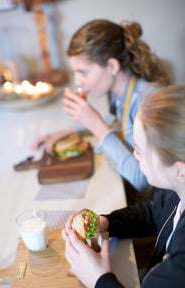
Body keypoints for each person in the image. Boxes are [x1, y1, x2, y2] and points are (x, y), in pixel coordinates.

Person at [62, 84, 185, 288]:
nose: (135, 156)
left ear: (179, 169)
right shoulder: (176, 191)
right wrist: (107, 222)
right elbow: (155, 213)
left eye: (140, 150)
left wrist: (99, 280)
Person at [62, 19, 171, 193]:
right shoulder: (119, 93)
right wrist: (70, 132)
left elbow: (143, 181)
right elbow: (119, 123)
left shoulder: (147, 102)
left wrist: (96, 125)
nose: (76, 81)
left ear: (112, 66)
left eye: (83, 72)